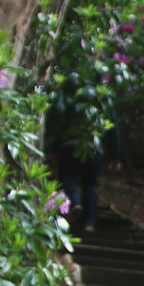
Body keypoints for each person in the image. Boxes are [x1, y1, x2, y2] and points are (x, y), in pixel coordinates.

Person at [45, 81, 121, 234]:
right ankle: (89, 222)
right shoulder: (104, 103)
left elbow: (57, 124)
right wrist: (115, 157)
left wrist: (52, 148)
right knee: (90, 184)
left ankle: (74, 202)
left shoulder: (69, 101)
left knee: (68, 177)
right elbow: (114, 131)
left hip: (68, 144)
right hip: (94, 146)